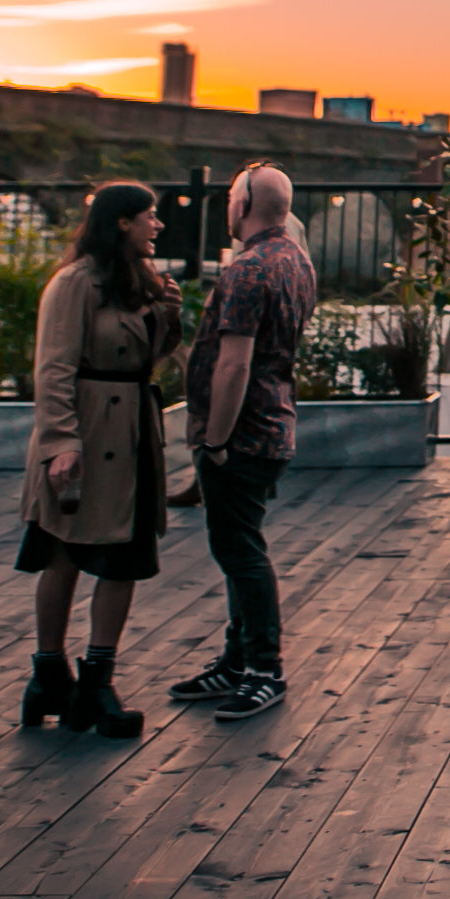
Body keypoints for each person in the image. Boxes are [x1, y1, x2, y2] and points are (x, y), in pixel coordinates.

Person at [16, 181, 181, 737]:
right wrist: (61, 440)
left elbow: (148, 360)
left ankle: (98, 678)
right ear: (120, 223)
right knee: (62, 551)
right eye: (149, 217)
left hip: (132, 430)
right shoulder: (74, 283)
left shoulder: (139, 283)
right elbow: (53, 367)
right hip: (86, 432)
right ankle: (48, 675)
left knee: (125, 556)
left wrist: (167, 317)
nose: (157, 226)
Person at [169, 163, 317, 723]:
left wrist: (215, 439)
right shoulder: (295, 259)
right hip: (275, 421)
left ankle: (262, 669)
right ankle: (236, 663)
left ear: (245, 205)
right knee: (240, 545)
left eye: (231, 198)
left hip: (243, 432)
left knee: (240, 552)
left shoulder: (248, 269)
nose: (226, 209)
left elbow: (234, 362)